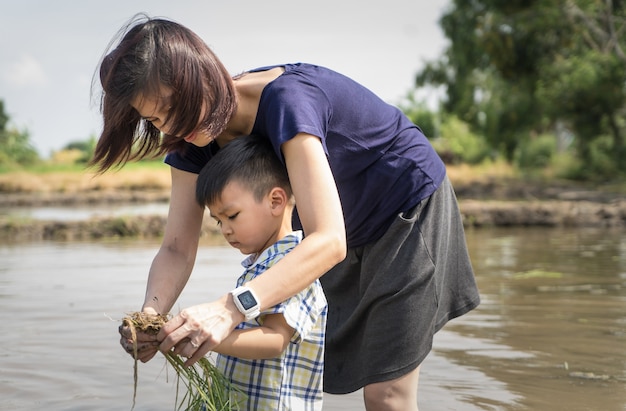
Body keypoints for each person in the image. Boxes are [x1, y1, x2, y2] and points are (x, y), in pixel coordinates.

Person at [98, 14, 480, 411]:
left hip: (403, 208)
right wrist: (150, 318)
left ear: (203, 74)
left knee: (386, 394)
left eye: (176, 106)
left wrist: (230, 308)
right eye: (157, 119)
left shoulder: (287, 101)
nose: (175, 125)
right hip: (337, 228)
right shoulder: (188, 141)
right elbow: (177, 247)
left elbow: (329, 240)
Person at [194, 134, 326, 410]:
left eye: (232, 216)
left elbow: (274, 340)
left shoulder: (291, 264)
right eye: (219, 221)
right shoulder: (260, 265)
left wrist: (209, 339)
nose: (226, 230)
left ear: (276, 201)